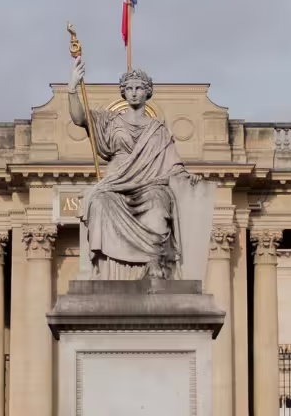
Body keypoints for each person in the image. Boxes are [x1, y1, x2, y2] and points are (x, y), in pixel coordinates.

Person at [68, 56, 200, 279]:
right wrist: (72, 88)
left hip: (150, 185)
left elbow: (173, 165)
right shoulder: (110, 121)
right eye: (129, 88)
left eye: (139, 88)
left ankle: (154, 261)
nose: (134, 92)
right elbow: (80, 118)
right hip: (116, 184)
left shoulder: (158, 129)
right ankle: (106, 272)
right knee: (99, 201)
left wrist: (187, 178)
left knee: (158, 205)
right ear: (123, 92)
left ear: (147, 92)